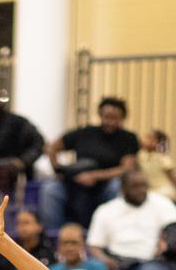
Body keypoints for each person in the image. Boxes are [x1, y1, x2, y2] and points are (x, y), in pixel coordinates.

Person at [87, 169, 176, 270]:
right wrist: (104, 260)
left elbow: (175, 233)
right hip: (116, 264)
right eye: (135, 186)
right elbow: (94, 246)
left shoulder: (162, 203)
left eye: (144, 185)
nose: (141, 190)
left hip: (150, 262)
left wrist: (169, 245)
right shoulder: (105, 210)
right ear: (123, 188)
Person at [40, 97, 139, 229]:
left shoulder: (128, 138)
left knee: (116, 187)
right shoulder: (85, 133)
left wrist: (94, 176)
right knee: (50, 190)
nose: (110, 122)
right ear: (100, 115)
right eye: (106, 117)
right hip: (76, 182)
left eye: (115, 118)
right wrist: (58, 171)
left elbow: (126, 168)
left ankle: (111, 231)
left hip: (106, 185)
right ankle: (53, 236)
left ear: (122, 118)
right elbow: (51, 148)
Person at [138, 130, 176, 204]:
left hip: (165, 189)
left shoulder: (163, 159)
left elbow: (173, 179)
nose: (143, 139)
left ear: (156, 143)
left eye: (149, 138)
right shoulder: (140, 156)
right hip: (149, 189)